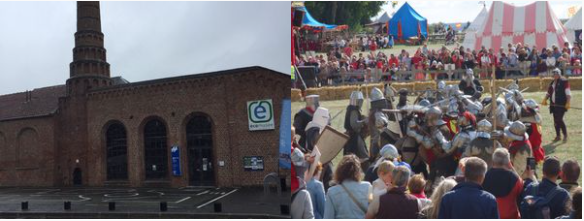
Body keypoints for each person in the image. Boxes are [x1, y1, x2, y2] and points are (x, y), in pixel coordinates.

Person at [324, 155, 371, 219]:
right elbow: (373, 211)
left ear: (339, 171)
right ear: (358, 171)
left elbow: (328, 217)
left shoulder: (332, 192)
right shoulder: (368, 187)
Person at [482, 148, 524, 219]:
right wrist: (512, 168)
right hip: (511, 216)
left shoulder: (484, 176)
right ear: (508, 162)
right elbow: (521, 187)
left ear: (493, 161)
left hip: (490, 215)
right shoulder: (514, 178)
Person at [542, 68, 571, 142]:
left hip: (561, 104)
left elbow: (568, 93)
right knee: (555, 121)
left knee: (559, 119)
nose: (555, 75)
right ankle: (558, 136)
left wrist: (568, 102)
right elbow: (549, 93)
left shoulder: (564, 81)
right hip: (553, 105)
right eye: (554, 74)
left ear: (559, 74)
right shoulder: (552, 83)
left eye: (556, 74)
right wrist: (545, 99)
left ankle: (565, 135)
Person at [343, 91, 369, 163]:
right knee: (364, 157)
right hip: (354, 137)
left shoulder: (351, 108)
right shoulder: (353, 110)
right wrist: (364, 121)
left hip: (351, 136)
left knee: (350, 159)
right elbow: (354, 125)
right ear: (359, 101)